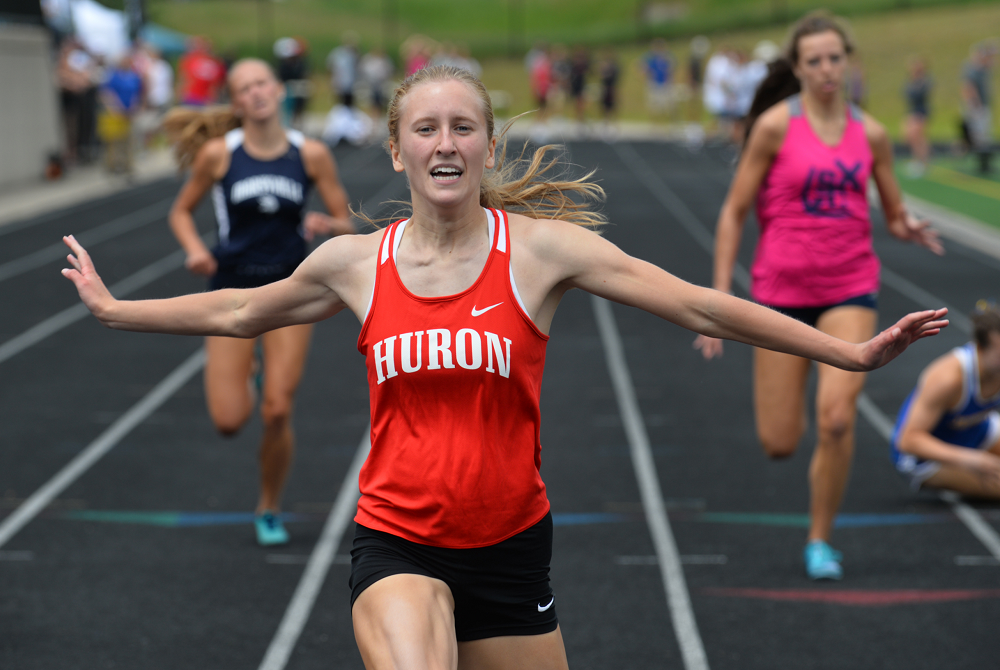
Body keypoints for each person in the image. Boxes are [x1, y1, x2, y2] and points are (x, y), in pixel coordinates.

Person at [63, 64, 947, 666]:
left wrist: (848, 351)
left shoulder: (539, 252)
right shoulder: (353, 263)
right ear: (398, 148)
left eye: (462, 127)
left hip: (513, 548)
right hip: (397, 539)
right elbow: (236, 309)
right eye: (425, 129)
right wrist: (112, 309)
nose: (444, 143)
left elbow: (696, 302)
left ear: (487, 144)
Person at [693, 12, 945, 581]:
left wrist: (906, 226)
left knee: (836, 419)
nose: (828, 69)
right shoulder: (776, 128)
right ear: (798, 68)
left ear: (847, 62)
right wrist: (715, 299)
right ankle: (797, 431)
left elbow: (890, 207)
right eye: (815, 61)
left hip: (850, 287)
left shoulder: (871, 133)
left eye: (836, 58)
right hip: (781, 292)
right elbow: (734, 212)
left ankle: (820, 540)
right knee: (780, 440)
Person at [161, 59, 354, 546]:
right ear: (237, 101)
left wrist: (325, 225)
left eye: (262, 82)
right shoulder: (218, 155)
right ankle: (248, 370)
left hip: (290, 293)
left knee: (277, 410)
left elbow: (346, 220)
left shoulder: (309, 154)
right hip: (231, 291)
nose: (256, 92)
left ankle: (269, 506)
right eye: (244, 88)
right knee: (229, 421)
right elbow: (181, 211)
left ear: (278, 89)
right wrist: (196, 250)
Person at [892, 301, 1000, 497]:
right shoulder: (947, 378)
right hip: (923, 458)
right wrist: (972, 459)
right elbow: (907, 440)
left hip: (973, 431)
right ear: (981, 347)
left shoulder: (995, 363)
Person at [961, 40, 997, 175]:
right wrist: (975, 105)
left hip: (982, 105)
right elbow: (968, 87)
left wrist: (991, 49)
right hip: (976, 106)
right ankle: (981, 164)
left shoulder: (982, 68)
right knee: (978, 136)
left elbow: (991, 59)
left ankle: (984, 163)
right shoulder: (971, 68)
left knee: (984, 135)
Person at [903, 56, 932, 177]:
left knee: (919, 137)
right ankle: (917, 159)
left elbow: (920, 95)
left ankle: (922, 162)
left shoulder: (924, 81)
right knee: (910, 137)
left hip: (920, 112)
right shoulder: (912, 81)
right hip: (912, 111)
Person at [177, 36, 226, 106]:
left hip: (196, 97)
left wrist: (180, 95)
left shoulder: (190, 59)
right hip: (198, 97)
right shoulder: (216, 62)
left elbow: (183, 79)